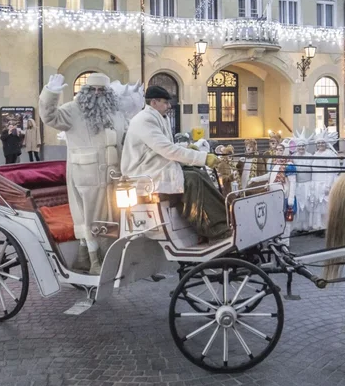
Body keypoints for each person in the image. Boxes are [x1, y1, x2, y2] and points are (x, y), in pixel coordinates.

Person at [39, 72, 127, 273]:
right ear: (86, 91)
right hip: (86, 176)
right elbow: (50, 116)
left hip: (114, 178)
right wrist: (50, 93)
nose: (96, 93)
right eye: (92, 89)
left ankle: (102, 258)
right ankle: (94, 261)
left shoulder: (116, 114)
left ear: (108, 93)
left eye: (101, 90)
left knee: (111, 217)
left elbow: (126, 139)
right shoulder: (73, 110)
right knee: (90, 218)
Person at [121, 85, 228, 241]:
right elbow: (167, 150)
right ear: (154, 102)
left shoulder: (157, 117)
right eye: (165, 102)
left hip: (155, 168)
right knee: (192, 180)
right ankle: (212, 228)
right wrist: (203, 158)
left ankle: (222, 221)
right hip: (144, 173)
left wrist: (187, 148)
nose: (169, 106)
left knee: (198, 172)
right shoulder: (144, 120)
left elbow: (165, 146)